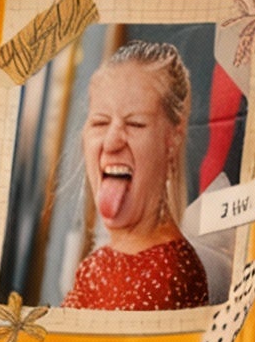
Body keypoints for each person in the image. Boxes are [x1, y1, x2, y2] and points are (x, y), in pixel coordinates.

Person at [62, 40, 211, 311]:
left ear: (172, 141)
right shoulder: (96, 265)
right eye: (100, 122)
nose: (111, 142)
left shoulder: (170, 275)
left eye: (135, 123)